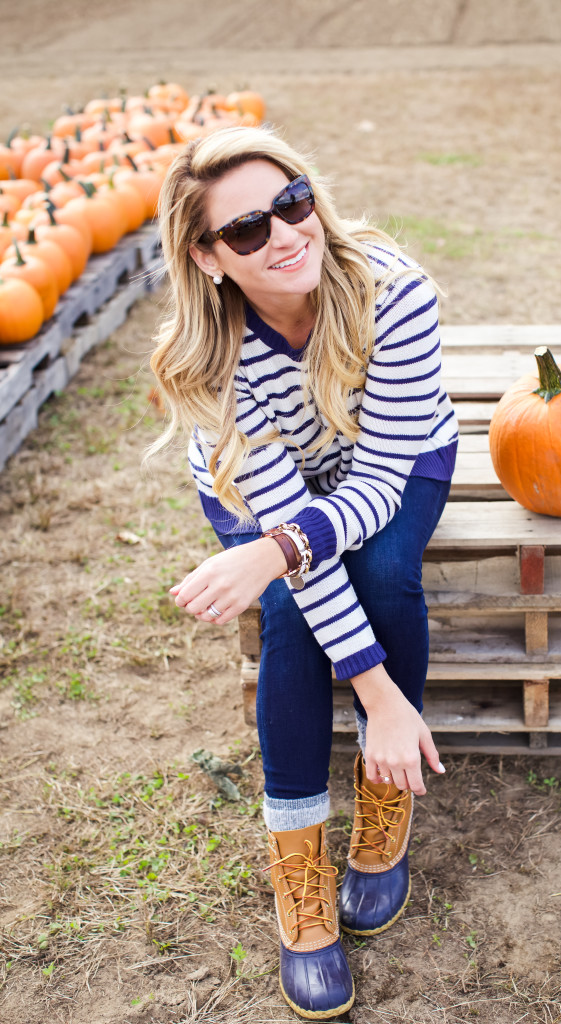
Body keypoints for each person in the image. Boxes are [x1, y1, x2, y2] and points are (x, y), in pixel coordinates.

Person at [149, 125, 459, 1020]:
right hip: (263, 489)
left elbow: (369, 491)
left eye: (292, 203)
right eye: (247, 229)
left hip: (391, 464)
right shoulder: (214, 361)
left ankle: (381, 805)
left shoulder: (389, 291)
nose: (285, 233)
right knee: (289, 613)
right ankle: (299, 872)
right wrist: (379, 689)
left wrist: (279, 552)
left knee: (388, 571)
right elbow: (287, 530)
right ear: (208, 257)